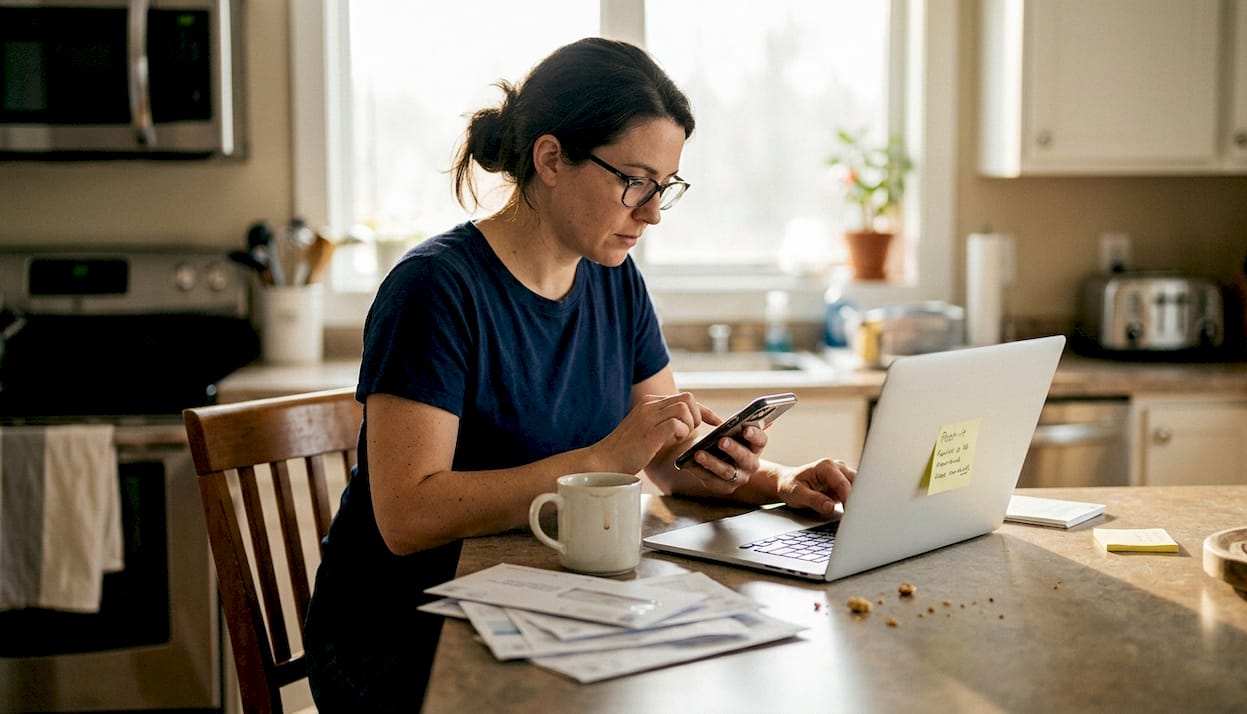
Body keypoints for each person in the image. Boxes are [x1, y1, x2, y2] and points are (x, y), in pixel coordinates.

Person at [303, 36, 856, 713]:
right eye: (635, 182)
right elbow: (406, 517)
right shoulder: (433, 290)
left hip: (546, 601)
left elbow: (666, 460)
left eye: (665, 187)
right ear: (551, 159)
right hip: (399, 632)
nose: (651, 212)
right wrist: (600, 460)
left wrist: (779, 481)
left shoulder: (614, 279)